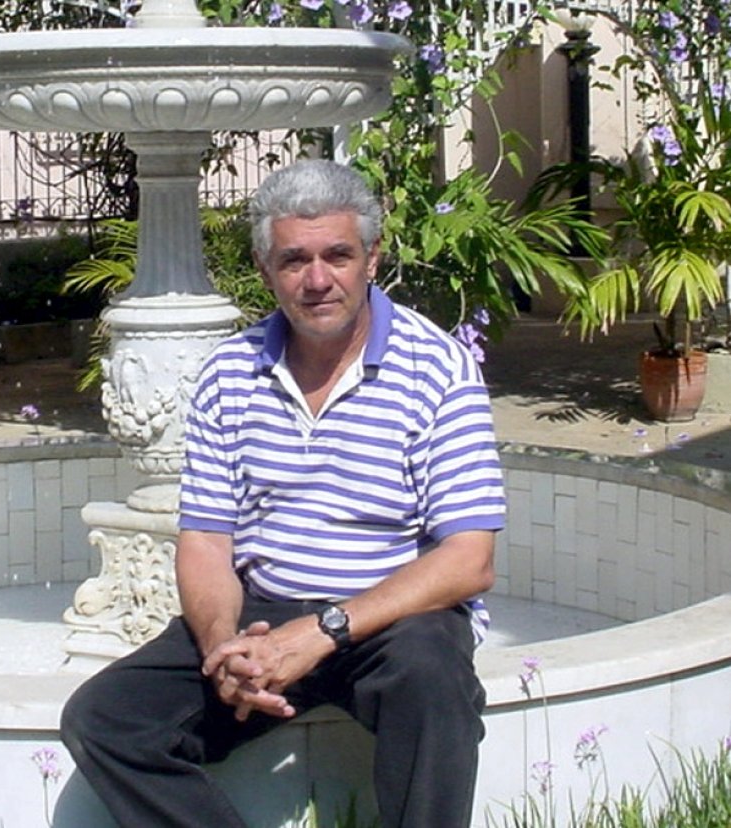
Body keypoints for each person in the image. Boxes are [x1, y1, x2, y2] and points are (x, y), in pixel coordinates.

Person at [60, 159, 506, 828]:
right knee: (104, 719)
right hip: (263, 614)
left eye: (338, 256)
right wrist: (225, 648)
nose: (318, 280)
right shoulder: (229, 372)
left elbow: (469, 560)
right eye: (294, 260)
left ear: (372, 258)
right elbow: (206, 542)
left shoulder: (438, 367)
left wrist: (324, 631)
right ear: (265, 269)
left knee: (433, 679)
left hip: (389, 618)